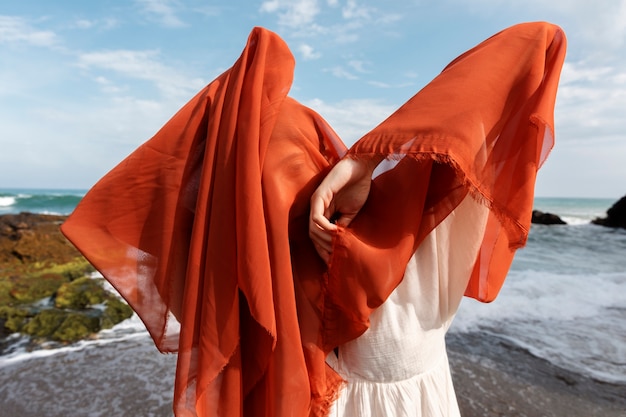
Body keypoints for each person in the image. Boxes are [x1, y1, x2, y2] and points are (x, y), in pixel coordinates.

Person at [61, 22, 566, 416]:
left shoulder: (255, 285)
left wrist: (362, 161)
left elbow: (162, 208)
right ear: (322, 150)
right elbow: (538, 41)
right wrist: (363, 160)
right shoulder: (423, 217)